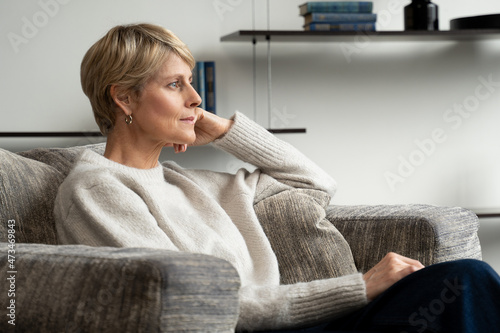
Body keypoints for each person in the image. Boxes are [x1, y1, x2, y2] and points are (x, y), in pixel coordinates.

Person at [54, 23, 500, 332]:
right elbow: (195, 302)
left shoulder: (192, 184)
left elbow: (316, 185)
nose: (195, 98)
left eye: (191, 83)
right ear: (124, 97)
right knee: (464, 284)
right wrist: (358, 287)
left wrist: (229, 132)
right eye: (175, 86)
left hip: (308, 321)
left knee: (466, 279)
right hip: (255, 329)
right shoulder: (97, 190)